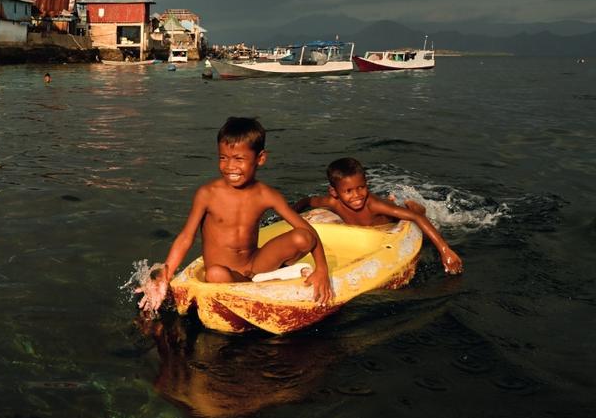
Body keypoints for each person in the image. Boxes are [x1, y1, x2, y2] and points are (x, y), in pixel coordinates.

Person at [154, 117, 332, 308]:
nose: (230, 166)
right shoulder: (208, 194)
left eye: (239, 159)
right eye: (223, 158)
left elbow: (308, 231)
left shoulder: (266, 195)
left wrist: (322, 269)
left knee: (302, 237)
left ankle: (261, 279)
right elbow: (186, 237)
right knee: (215, 273)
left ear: (260, 158)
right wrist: (165, 275)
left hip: (255, 265)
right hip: (223, 274)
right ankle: (266, 281)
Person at [294, 157, 463, 275]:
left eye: (361, 187)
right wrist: (291, 212)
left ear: (366, 184)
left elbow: (416, 218)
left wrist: (445, 250)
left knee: (414, 217)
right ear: (334, 192)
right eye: (348, 191)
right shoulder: (333, 202)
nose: (357, 195)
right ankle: (399, 203)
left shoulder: (372, 205)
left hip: (390, 222)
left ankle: (414, 206)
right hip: (369, 230)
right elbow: (308, 201)